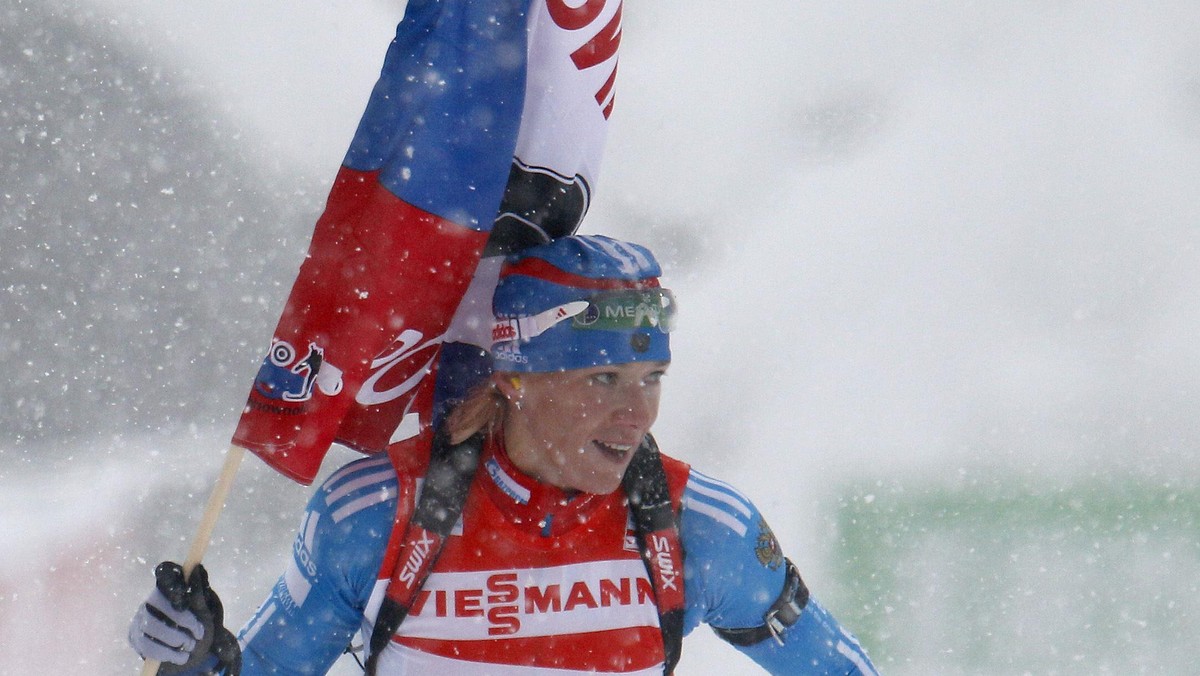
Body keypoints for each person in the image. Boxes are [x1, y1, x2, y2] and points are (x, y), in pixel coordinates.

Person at [129, 235, 879, 675]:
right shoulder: (376, 514)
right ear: (515, 379)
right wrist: (197, 657)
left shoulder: (696, 526)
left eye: (653, 379)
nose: (637, 412)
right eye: (604, 378)